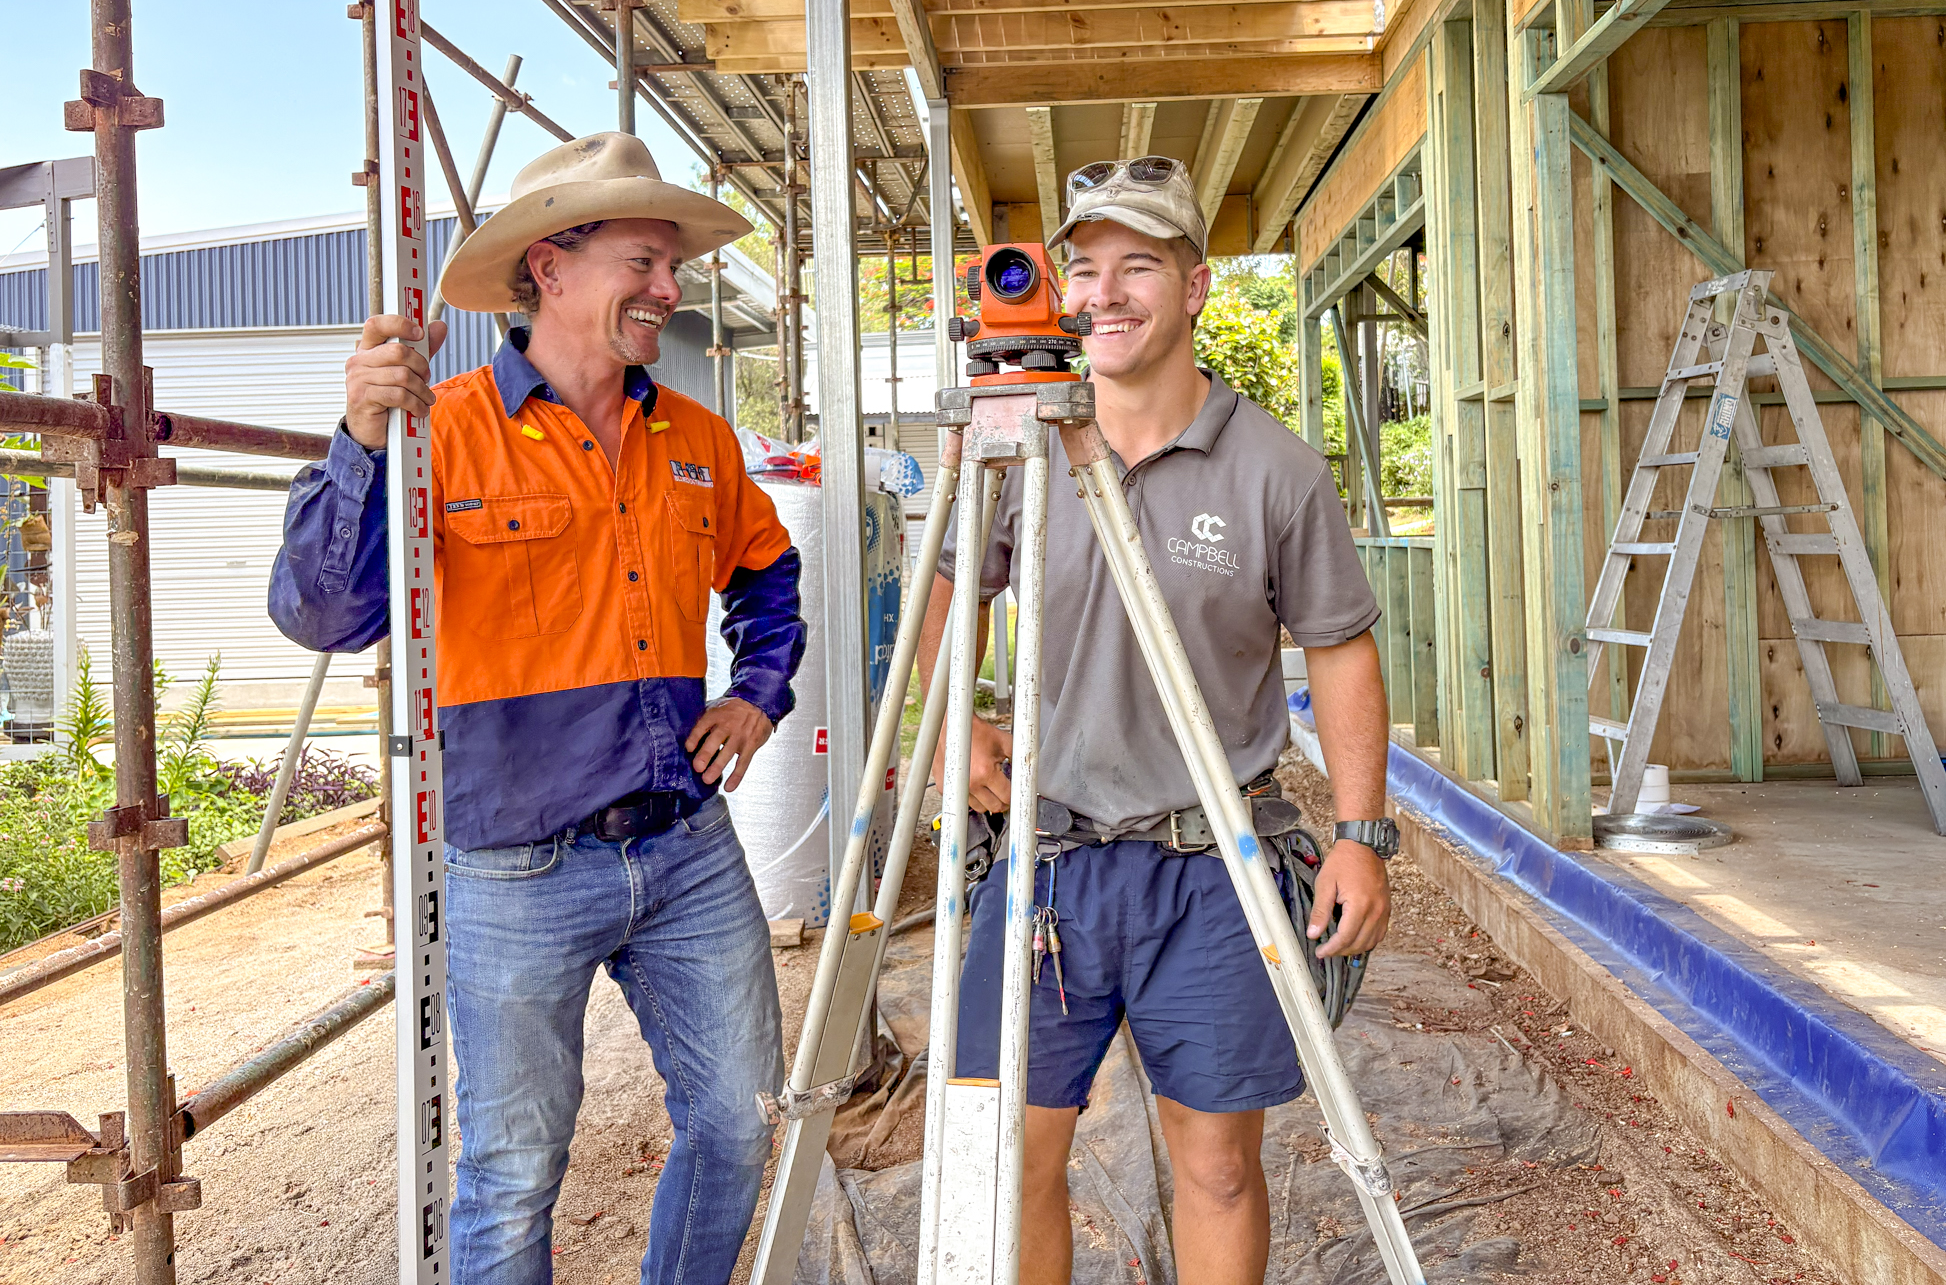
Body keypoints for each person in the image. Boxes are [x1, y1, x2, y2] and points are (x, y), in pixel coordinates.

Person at [269, 132, 805, 1285]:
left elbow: (770, 573)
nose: (668, 288)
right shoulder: (439, 431)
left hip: (684, 843)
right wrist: (361, 441)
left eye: (671, 265)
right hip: (514, 864)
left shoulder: (698, 439)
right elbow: (323, 616)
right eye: (642, 262)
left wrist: (758, 694)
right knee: (513, 1173)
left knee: (739, 1119)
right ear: (550, 267)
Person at [921, 156, 1399, 1285]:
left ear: (1194, 288)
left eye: (1137, 266)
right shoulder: (1018, 446)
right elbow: (952, 588)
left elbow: (1340, 648)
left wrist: (1360, 833)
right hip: (1048, 859)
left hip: (1212, 867)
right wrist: (947, 727)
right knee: (1009, 1157)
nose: (1104, 294)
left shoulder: (1275, 469)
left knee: (1219, 1166)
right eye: (1084, 270)